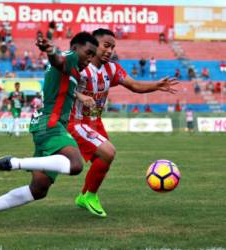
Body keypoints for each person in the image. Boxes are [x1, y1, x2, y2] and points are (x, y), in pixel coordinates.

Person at [0, 32, 98, 231]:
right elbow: (58, 60)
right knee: (75, 164)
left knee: (39, 189)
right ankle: (12, 162)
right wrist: (50, 50)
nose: (89, 58)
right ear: (76, 48)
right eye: (88, 53)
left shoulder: (73, 72)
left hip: (45, 125)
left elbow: (61, 81)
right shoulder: (68, 57)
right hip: (49, 124)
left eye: (92, 55)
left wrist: (79, 96)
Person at [67, 28, 179, 217]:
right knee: (108, 153)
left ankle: (84, 196)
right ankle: (90, 196)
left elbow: (134, 85)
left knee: (103, 160)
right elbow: (63, 86)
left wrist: (156, 86)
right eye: (106, 46)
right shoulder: (80, 66)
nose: (110, 51)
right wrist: (80, 95)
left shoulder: (112, 68)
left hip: (96, 122)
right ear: (94, 45)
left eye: (113, 47)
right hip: (76, 121)